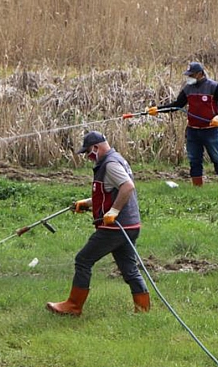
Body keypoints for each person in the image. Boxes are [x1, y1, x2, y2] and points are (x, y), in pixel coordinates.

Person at [46, 131, 150, 317]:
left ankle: (73, 306)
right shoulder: (116, 159)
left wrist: (114, 211)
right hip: (130, 225)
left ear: (96, 147)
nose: (87, 156)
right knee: (129, 269)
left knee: (83, 260)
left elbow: (127, 187)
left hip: (115, 227)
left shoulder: (109, 164)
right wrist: (86, 204)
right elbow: (110, 191)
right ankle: (143, 310)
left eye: (88, 152)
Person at [148, 62, 218, 187]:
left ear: (200, 74)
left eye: (191, 75)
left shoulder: (214, 87)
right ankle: (197, 188)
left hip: (210, 130)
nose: (189, 77)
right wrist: (157, 109)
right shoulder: (188, 88)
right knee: (194, 160)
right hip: (193, 131)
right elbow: (177, 105)